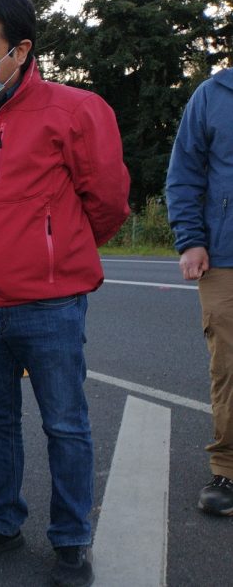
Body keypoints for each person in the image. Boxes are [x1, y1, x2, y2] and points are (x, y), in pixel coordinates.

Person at [0, 0, 130, 586]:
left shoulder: (74, 111)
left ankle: (70, 540)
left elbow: (108, 200)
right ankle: (1, 521)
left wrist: (54, 252)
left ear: (21, 52)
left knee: (65, 424)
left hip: (50, 307)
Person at [166, 67, 233, 517]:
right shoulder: (211, 95)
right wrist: (191, 239)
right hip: (226, 254)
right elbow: (185, 173)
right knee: (228, 364)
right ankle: (227, 467)